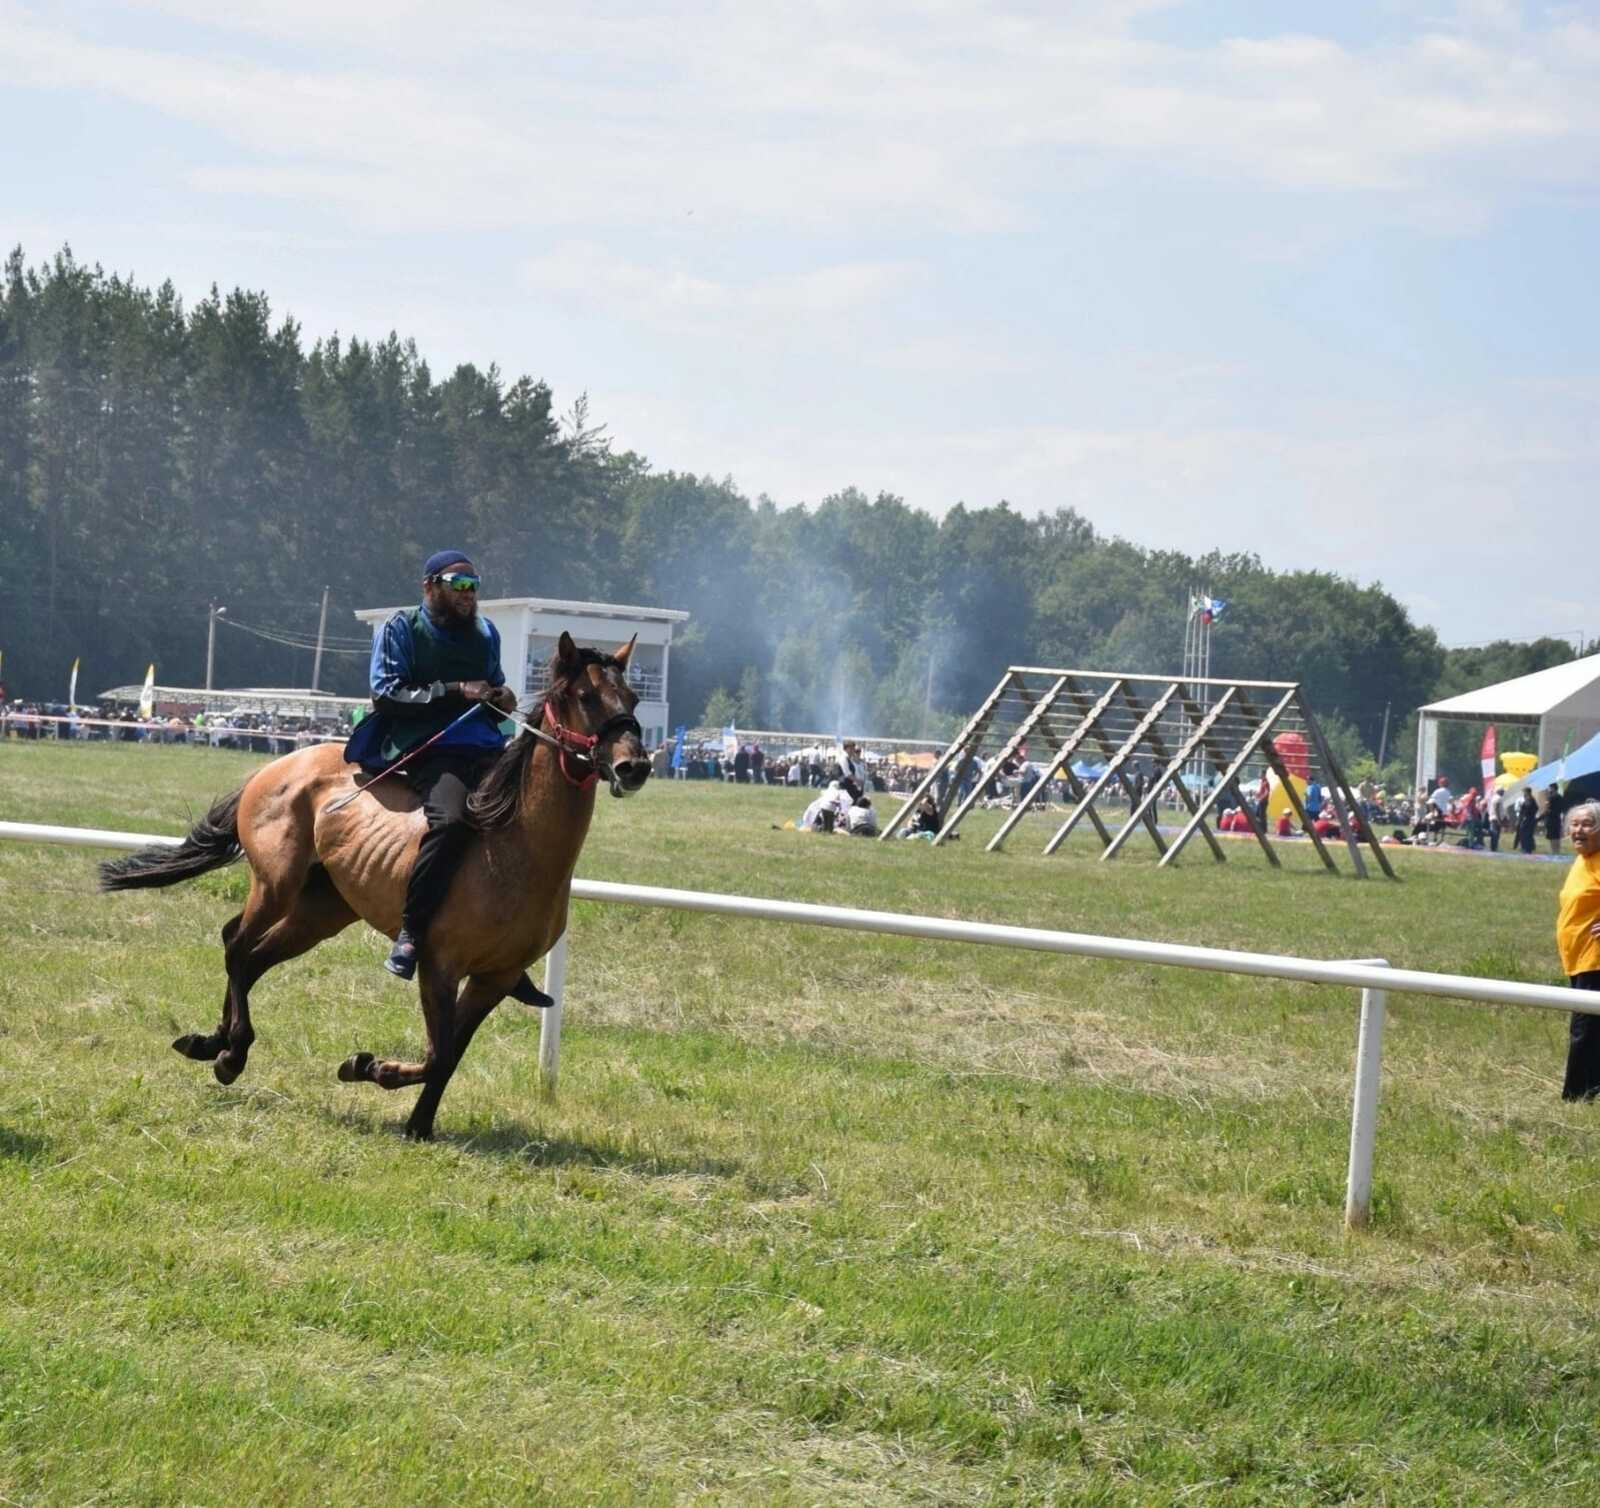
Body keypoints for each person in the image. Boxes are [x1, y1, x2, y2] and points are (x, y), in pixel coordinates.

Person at [344, 549, 520, 981]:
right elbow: (386, 694)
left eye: (473, 586)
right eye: (458, 584)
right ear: (429, 586)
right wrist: (457, 689)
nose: (467, 594)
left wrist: (503, 699)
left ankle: (508, 948)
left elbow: (494, 692)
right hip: (428, 747)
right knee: (453, 822)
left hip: (487, 747)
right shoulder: (400, 628)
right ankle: (411, 932)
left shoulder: (487, 632)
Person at [1556, 800, 1600, 1100]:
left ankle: (1574, 1097)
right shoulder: (1583, 859)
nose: (1578, 830)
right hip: (1578, 957)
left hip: (1595, 959)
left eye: (1587, 824)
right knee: (1592, 1028)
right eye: (1574, 824)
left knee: (1583, 1029)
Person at [1544, 786, 1565, 856]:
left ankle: (1553, 851)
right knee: (1557, 835)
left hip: (1550, 818)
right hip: (1557, 818)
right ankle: (1557, 851)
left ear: (1553, 788)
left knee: (1551, 836)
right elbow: (1562, 808)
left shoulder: (1550, 797)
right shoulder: (1560, 797)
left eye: (1549, 788)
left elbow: (1546, 806)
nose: (1548, 789)